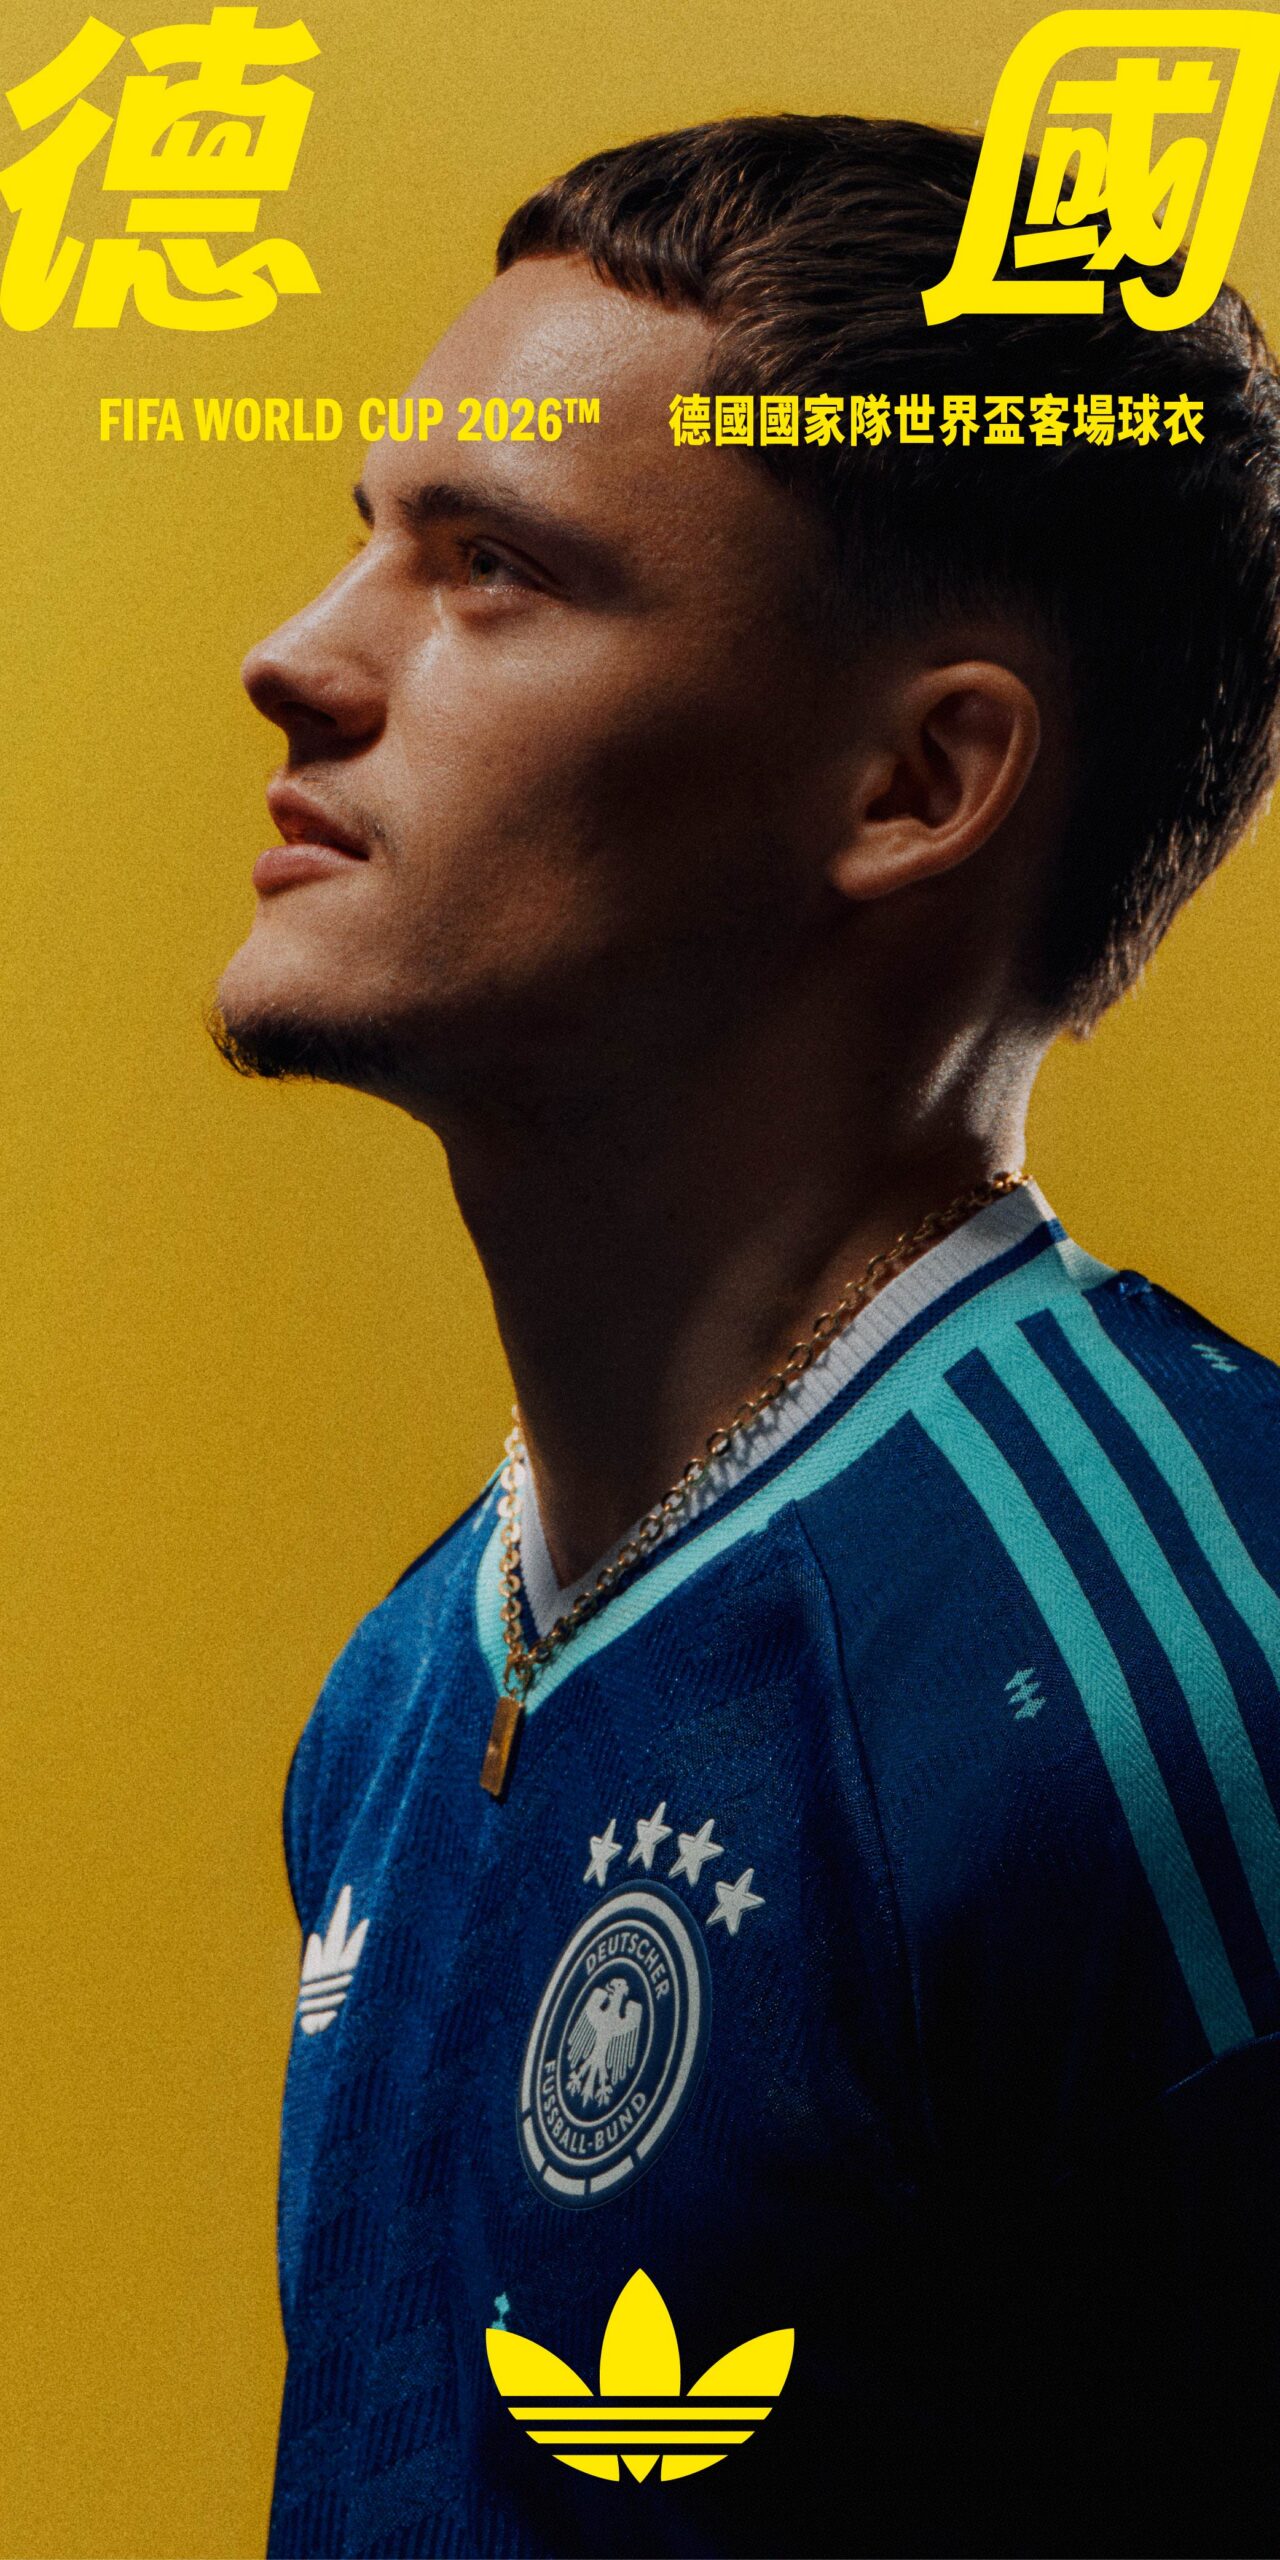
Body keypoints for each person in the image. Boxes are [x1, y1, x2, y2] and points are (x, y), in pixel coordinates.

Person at [212, 112, 1280, 2560]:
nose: (300, 654)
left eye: (493, 569)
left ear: (915, 779)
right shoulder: (404, 1686)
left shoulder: (1185, 1684)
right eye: (370, 533)